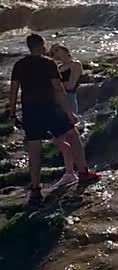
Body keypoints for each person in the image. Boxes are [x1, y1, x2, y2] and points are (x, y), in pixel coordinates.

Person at [9, 33, 100, 203]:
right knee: (73, 136)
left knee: (34, 150)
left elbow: (14, 90)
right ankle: (83, 172)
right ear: (42, 45)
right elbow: (58, 89)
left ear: (29, 46)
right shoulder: (48, 63)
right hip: (51, 109)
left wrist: (13, 113)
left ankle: (35, 190)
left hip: (30, 112)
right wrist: (69, 112)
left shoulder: (19, 64)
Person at [49, 44, 82, 115]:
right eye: (53, 53)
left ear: (64, 49)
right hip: (57, 99)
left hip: (69, 97)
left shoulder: (75, 64)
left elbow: (71, 85)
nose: (56, 53)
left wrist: (57, 85)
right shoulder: (58, 67)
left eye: (57, 50)